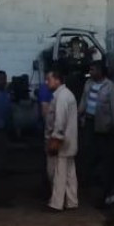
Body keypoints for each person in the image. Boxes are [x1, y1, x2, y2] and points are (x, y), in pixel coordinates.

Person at [79, 60, 114, 205]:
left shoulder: (110, 86)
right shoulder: (88, 84)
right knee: (88, 154)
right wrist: (78, 115)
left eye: (93, 70)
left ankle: (104, 189)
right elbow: (83, 102)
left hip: (103, 126)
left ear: (100, 71)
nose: (90, 72)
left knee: (105, 157)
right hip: (89, 123)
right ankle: (88, 186)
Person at [44, 68, 79, 211]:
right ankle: (72, 201)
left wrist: (55, 139)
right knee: (70, 174)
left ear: (58, 80)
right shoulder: (65, 94)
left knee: (58, 173)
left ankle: (56, 204)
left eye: (49, 79)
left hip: (61, 142)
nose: (46, 82)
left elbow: (60, 120)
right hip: (69, 141)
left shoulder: (62, 97)